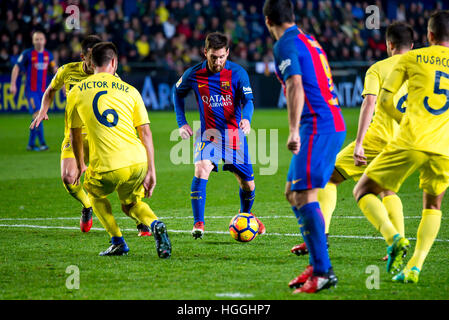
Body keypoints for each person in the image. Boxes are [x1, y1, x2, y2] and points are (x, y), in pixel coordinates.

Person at [291, 22, 414, 261]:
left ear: (389, 44)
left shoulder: (378, 68)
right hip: (406, 142)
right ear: (412, 45)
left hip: (377, 139)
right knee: (387, 190)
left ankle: (320, 238)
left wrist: (359, 142)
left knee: (329, 177)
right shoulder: (420, 69)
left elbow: (369, 103)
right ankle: (399, 241)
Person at [353, 10, 449, 284]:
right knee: (433, 205)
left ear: (429, 35)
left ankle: (394, 237)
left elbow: (383, 102)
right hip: (445, 147)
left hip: (410, 139)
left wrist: (404, 120)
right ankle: (415, 267)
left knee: (363, 190)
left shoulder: (410, 58)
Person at [30, 35, 151, 237]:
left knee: (121, 177)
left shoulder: (112, 77)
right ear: (83, 56)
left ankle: (141, 221)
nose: (94, 61)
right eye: (90, 57)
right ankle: (87, 207)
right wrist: (43, 109)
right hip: (74, 134)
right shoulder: (67, 71)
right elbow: (51, 90)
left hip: (102, 137)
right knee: (69, 177)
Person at [263, 0, 346, 294]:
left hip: (318, 124)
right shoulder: (307, 38)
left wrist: (294, 130)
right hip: (328, 121)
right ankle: (316, 262)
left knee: (302, 193)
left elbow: (295, 85)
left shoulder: (285, 44)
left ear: (267, 20)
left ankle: (323, 272)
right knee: (292, 192)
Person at [66, 42, 171, 258]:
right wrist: (152, 170)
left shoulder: (76, 92)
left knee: (94, 194)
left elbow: (74, 134)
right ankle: (155, 223)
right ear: (114, 62)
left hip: (108, 165)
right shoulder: (131, 90)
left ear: (91, 62)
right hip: (137, 161)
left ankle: (117, 241)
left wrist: (79, 164)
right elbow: (146, 133)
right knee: (132, 204)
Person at [173, 32, 265, 239]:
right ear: (205, 53)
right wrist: (182, 123)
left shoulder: (238, 73)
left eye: (222, 57)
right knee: (201, 167)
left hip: (234, 135)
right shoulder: (193, 74)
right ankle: (199, 223)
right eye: (214, 57)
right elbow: (176, 93)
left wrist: (247, 119)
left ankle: (247, 216)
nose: (218, 61)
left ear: (228, 53)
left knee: (248, 184)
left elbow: (248, 101)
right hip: (209, 134)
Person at [10, 31, 57, 151]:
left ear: (45, 41)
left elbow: (54, 69)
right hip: (31, 91)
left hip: (43, 92)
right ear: (33, 41)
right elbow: (16, 67)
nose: (39, 41)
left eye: (41, 39)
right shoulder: (27, 54)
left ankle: (31, 144)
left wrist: (62, 84)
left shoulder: (48, 55)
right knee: (38, 114)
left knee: (37, 117)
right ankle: (42, 143)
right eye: (36, 39)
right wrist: (13, 84)